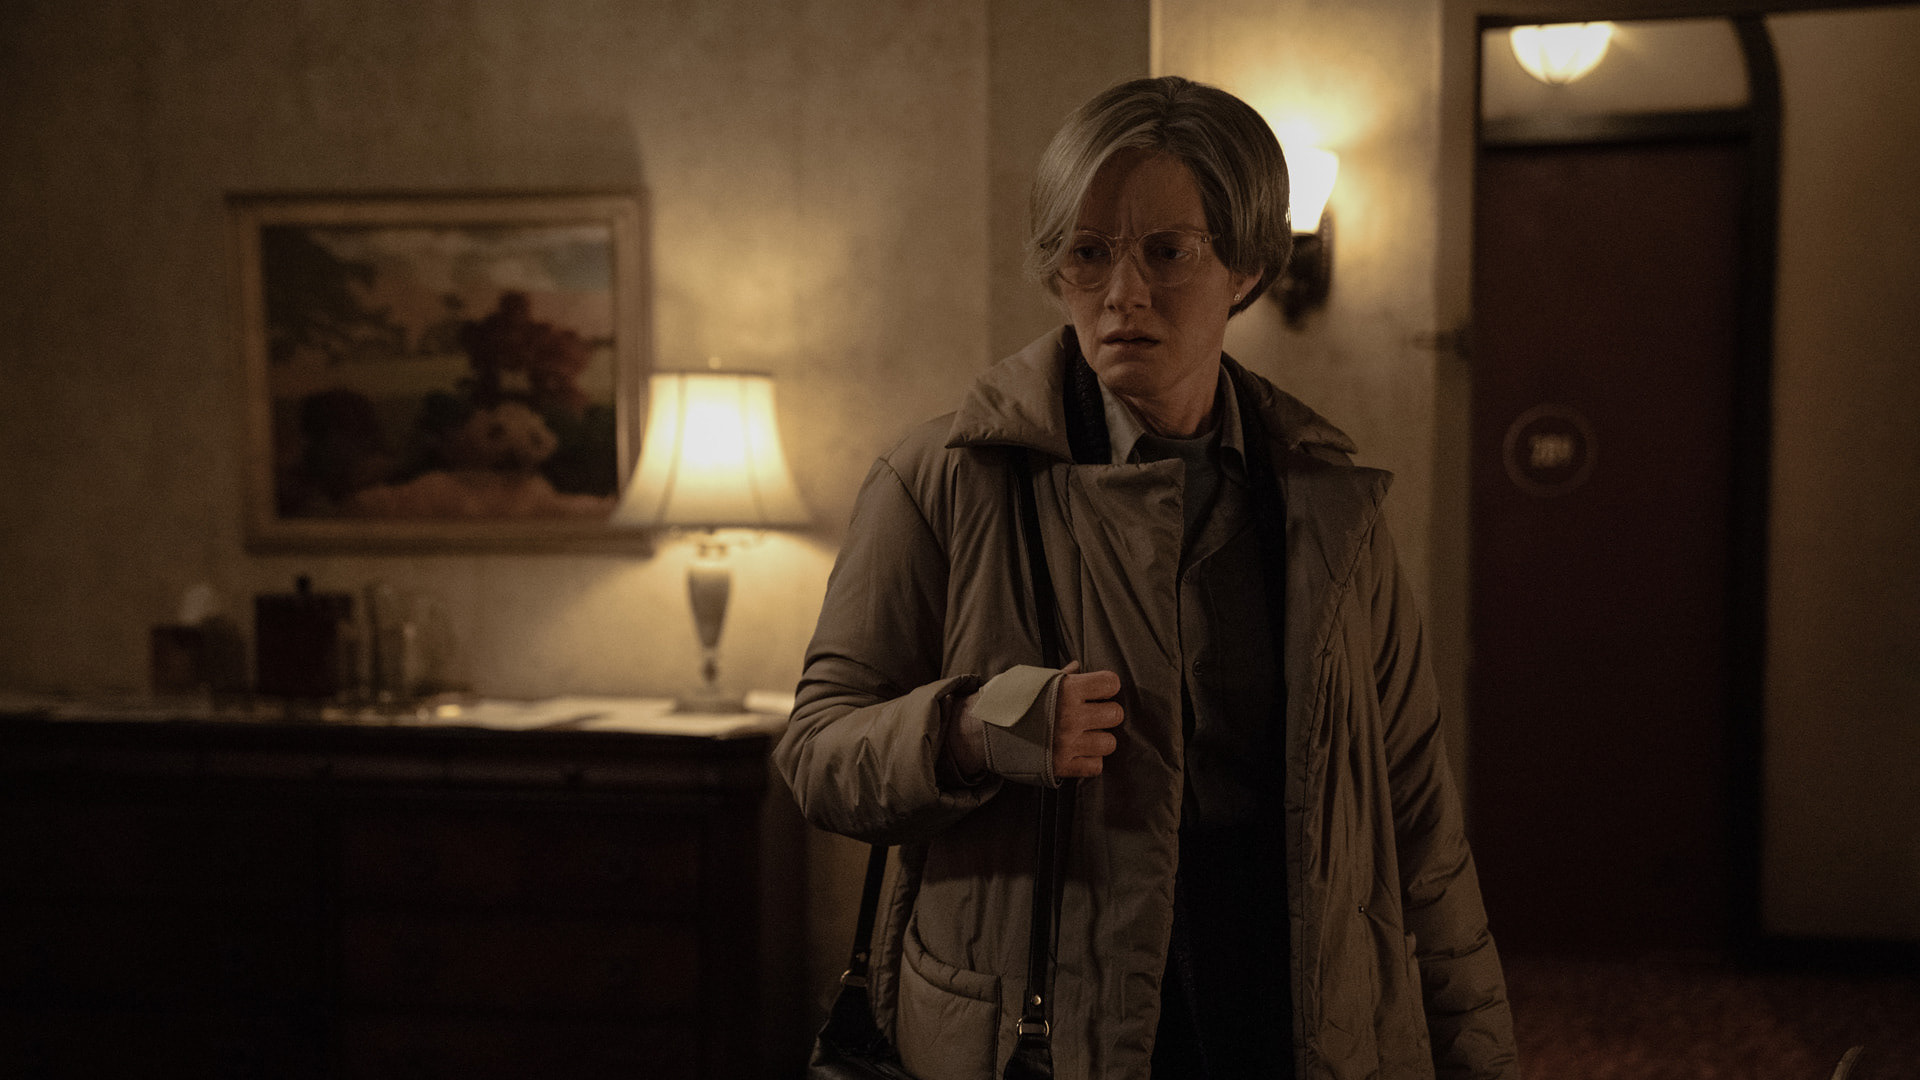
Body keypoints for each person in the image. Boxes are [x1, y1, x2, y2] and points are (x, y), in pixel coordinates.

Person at [774, 75, 1518, 1080]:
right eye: (1089, 254)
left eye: (1167, 252)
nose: (1123, 294)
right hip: (1036, 1033)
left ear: (1248, 268)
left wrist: (1480, 1060)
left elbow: (1421, 825)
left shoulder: (1329, 506)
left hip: (1289, 1005)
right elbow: (817, 752)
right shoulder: (943, 479)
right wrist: (967, 731)